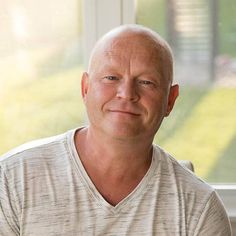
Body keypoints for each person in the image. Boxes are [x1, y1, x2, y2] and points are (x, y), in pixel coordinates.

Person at [0, 24, 232, 236]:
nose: (127, 93)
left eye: (146, 82)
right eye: (111, 77)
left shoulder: (199, 209)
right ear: (85, 88)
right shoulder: (12, 179)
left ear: (170, 100)